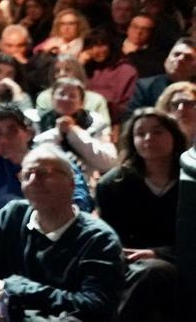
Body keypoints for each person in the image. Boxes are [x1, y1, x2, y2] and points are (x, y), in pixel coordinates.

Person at [0, 144, 123, 322]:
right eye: (27, 175)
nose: (33, 180)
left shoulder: (99, 238)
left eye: (43, 173)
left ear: (71, 182)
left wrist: (16, 289)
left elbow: (95, 306)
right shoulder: (13, 215)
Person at [95, 108, 182, 321]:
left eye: (158, 132)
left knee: (152, 271)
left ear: (174, 136)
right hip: (128, 262)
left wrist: (158, 253)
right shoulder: (115, 184)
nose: (148, 138)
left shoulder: (190, 181)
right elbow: (109, 236)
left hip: (180, 260)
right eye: (140, 133)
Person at [0, 104, 92, 225]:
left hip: (50, 231)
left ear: (28, 134)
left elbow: (80, 203)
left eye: (12, 131)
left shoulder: (53, 160)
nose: (4, 139)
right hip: (2, 236)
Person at [32, 78, 117, 178]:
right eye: (61, 94)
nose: (66, 99)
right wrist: (57, 132)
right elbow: (32, 153)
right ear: (52, 98)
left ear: (81, 102)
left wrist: (73, 132)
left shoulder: (96, 122)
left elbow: (109, 162)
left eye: (72, 96)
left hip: (85, 181)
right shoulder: (37, 120)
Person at [128, 37, 196, 114]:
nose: (180, 59)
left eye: (188, 58)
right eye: (176, 54)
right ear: (166, 61)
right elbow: (130, 118)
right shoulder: (144, 87)